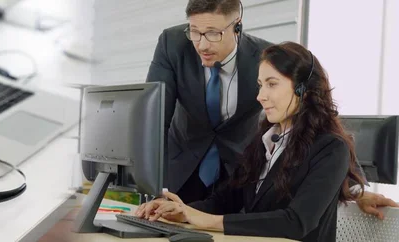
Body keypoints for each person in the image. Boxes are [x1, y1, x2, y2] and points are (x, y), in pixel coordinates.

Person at [145, 0, 396, 218]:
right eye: (195, 32)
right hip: (183, 167)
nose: (202, 44)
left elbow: (322, 117)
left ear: (237, 26)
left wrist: (357, 188)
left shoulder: (265, 58)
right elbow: (153, 118)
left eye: (212, 33)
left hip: (238, 173)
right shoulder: (172, 43)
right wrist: (152, 185)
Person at [136, 41, 366, 241]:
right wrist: (181, 210)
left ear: (302, 90)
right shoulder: (264, 142)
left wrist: (205, 220)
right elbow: (225, 200)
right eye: (260, 85)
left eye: (272, 84)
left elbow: (296, 222)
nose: (260, 96)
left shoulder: (331, 148)